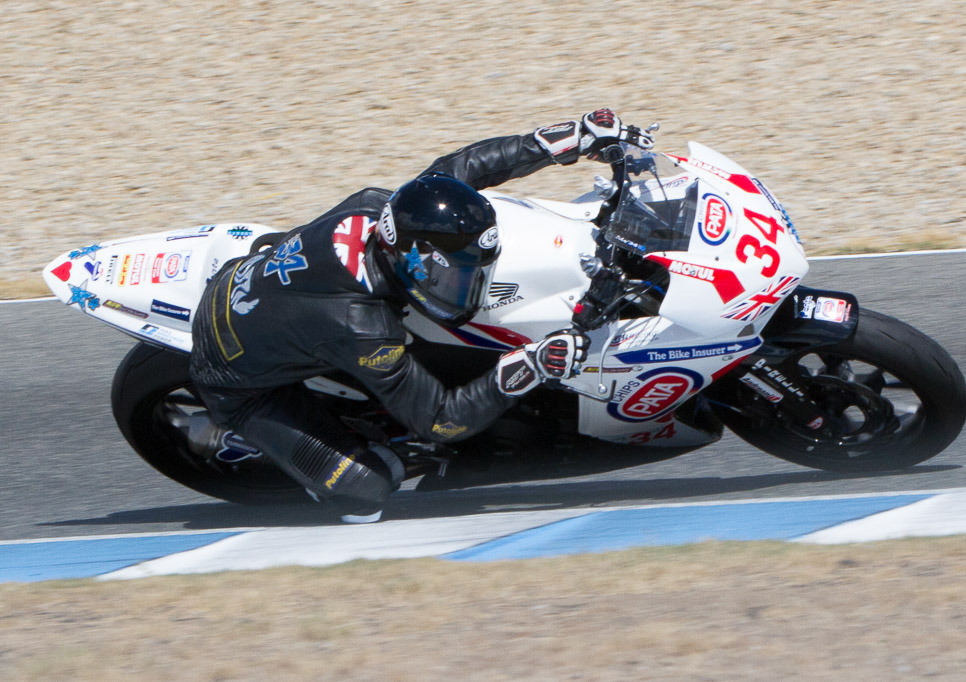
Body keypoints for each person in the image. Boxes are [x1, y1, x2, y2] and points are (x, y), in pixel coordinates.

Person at [189, 109, 653, 522]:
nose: (464, 288)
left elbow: (457, 172)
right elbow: (441, 420)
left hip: (264, 284)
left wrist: (560, 141)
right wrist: (530, 365)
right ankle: (236, 438)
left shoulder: (382, 206)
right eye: (449, 277)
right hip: (237, 380)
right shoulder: (362, 327)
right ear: (405, 258)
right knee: (369, 493)